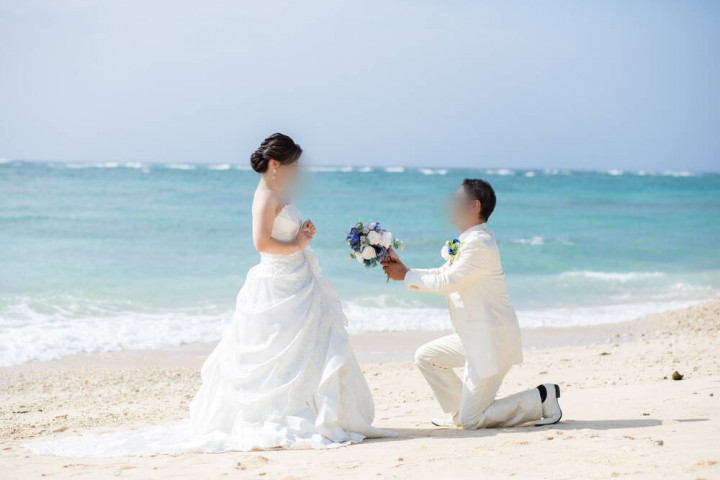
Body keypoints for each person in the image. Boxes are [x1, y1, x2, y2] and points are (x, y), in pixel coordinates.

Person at [28, 133, 391, 456]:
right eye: (294, 164)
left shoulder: (282, 191)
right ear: (276, 165)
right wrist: (296, 242)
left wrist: (301, 235)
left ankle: (321, 410)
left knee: (310, 347)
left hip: (298, 277)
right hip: (277, 281)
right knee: (275, 352)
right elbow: (261, 243)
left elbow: (284, 232)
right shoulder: (264, 196)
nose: (299, 170)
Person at [382, 178, 562, 429]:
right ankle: (461, 411)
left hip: (492, 342)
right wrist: (405, 270)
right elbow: (440, 273)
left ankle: (541, 397)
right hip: (473, 338)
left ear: (473, 206)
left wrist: (406, 276)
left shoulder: (480, 243)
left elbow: (448, 281)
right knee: (427, 357)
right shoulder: (469, 241)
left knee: (472, 421)